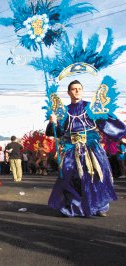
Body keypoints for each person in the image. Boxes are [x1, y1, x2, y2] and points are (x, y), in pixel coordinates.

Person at [46, 80, 126, 217]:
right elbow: (55, 133)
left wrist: (120, 135)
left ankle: (100, 206)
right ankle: (74, 206)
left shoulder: (91, 108)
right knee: (70, 176)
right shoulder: (63, 111)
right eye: (73, 89)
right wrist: (52, 122)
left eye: (79, 88)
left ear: (82, 91)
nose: (76, 91)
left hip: (91, 148)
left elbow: (106, 122)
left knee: (96, 175)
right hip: (71, 149)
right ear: (68, 92)